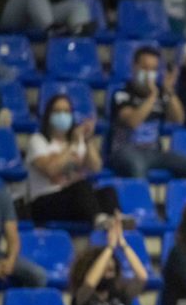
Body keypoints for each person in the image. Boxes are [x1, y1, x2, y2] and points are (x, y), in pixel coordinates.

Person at [108, 46, 186, 179]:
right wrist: (152, 97)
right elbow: (132, 122)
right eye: (145, 68)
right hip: (125, 152)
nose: (149, 73)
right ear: (134, 67)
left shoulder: (161, 94)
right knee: (137, 167)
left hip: (154, 152)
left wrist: (169, 91)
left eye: (153, 69)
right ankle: (142, 199)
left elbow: (179, 119)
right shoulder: (122, 94)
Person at [26, 94, 120, 226]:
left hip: (73, 201)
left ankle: (116, 222)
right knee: (80, 187)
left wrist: (87, 140)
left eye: (66, 111)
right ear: (48, 115)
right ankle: (99, 219)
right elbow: (50, 170)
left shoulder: (78, 140)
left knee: (108, 192)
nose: (62, 115)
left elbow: (96, 167)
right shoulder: (37, 140)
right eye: (57, 111)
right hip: (45, 201)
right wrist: (71, 146)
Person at [0, 184, 48, 287]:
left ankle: (22, 301)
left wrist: (10, 261)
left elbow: (13, 238)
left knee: (39, 276)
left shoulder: (2, 196)